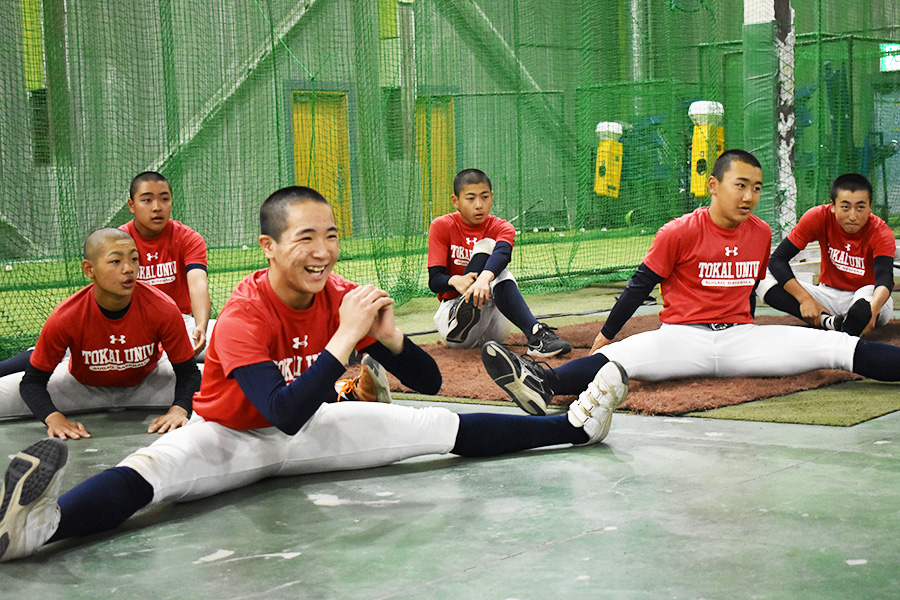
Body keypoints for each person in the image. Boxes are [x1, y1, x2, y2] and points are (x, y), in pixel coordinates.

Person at [0, 185, 629, 563]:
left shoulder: (340, 292)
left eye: (330, 235)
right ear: (268, 247)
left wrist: (390, 339)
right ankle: (36, 530)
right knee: (147, 473)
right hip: (228, 435)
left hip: (314, 428)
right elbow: (280, 412)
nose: (323, 250)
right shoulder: (242, 313)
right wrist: (346, 338)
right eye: (306, 237)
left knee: (436, 424)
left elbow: (430, 382)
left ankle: (573, 429)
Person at [480, 150, 900, 417]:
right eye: (740, 185)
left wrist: (748, 331)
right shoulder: (679, 231)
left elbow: (751, 290)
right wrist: (606, 334)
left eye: (756, 188)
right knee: (619, 360)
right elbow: (640, 285)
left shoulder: (760, 232)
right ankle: (541, 382)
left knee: (836, 348)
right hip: (681, 339)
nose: (749, 196)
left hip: (740, 339)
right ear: (714, 186)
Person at [0, 228, 201, 438]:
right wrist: (53, 417)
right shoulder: (66, 316)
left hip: (149, 382)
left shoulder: (162, 308)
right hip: (79, 387)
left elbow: (188, 373)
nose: (129, 269)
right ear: (89, 269)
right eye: (116, 261)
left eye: (134, 259)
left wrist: (179, 408)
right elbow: (32, 382)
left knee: (223, 385)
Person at [427, 169, 571, 357]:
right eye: (470, 199)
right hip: (453, 323)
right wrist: (454, 280)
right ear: (456, 201)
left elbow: (503, 253)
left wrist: (483, 279)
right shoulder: (442, 225)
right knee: (487, 246)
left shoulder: (501, 227)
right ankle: (463, 310)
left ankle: (537, 337)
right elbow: (434, 280)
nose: (479, 205)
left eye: (484, 197)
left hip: (493, 321)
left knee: (497, 264)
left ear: (492, 197)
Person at [756, 173, 895, 337]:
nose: (852, 216)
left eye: (860, 207)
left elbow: (884, 276)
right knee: (761, 272)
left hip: (866, 298)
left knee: (867, 298)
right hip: (826, 295)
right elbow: (777, 259)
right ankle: (829, 322)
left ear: (870, 207)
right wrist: (805, 299)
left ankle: (855, 320)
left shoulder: (880, 232)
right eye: (845, 207)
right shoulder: (818, 217)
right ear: (833, 206)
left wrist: (874, 310)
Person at [121, 171, 213, 358]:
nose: (157, 207)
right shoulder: (118, 241)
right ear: (132, 205)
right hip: (130, 327)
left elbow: (198, 284)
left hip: (180, 324)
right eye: (147, 200)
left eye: (164, 199)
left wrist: (200, 327)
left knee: (231, 339)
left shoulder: (188, 238)